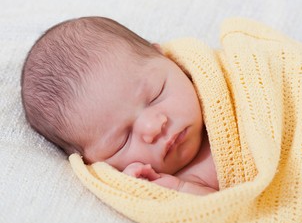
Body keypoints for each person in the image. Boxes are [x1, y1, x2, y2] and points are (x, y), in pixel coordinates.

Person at [21, 16, 219, 195]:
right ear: (91, 162)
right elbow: (229, 215)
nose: (153, 127)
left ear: (164, 58)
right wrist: (179, 189)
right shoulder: (170, 186)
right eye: (122, 141)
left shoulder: (229, 78)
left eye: (155, 95)